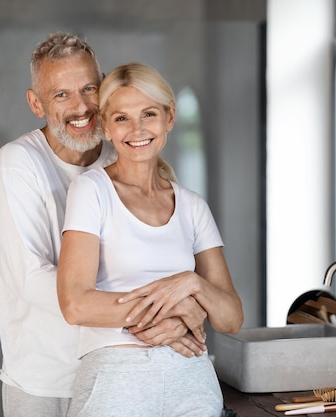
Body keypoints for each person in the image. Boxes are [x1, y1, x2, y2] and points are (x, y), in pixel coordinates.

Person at [0, 33, 207, 417]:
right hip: (46, 377)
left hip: (123, 372)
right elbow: (32, 278)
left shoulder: (122, 150)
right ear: (36, 102)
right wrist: (166, 313)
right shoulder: (17, 163)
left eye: (90, 88)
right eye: (61, 95)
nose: (81, 107)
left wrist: (186, 306)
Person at [57, 62, 244, 417]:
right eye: (122, 118)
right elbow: (75, 304)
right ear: (106, 127)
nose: (137, 129)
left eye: (149, 114)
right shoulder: (91, 191)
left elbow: (231, 317)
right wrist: (175, 308)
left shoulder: (192, 206)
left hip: (192, 382)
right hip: (115, 381)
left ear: (169, 117)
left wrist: (190, 284)